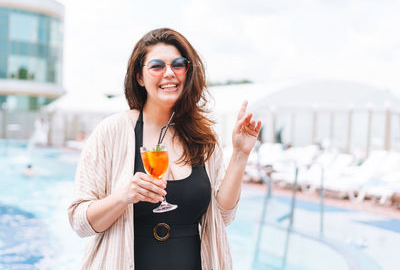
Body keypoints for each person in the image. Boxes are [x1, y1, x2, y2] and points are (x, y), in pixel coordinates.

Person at [68, 28, 261, 270]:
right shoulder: (112, 131)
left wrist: (240, 154)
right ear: (140, 77)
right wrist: (123, 196)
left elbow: (222, 217)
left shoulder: (202, 138)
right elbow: (78, 221)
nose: (169, 73)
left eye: (178, 65)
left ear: (187, 72)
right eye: (157, 66)